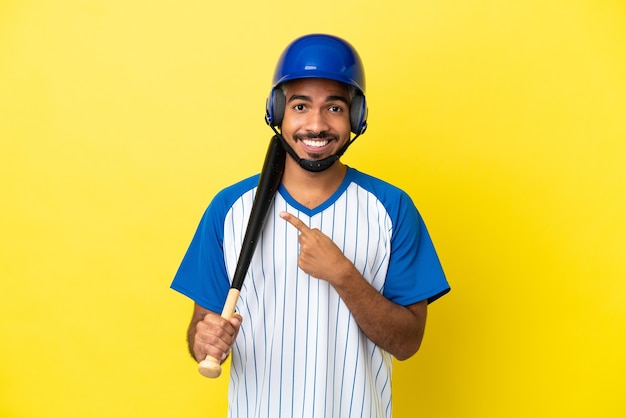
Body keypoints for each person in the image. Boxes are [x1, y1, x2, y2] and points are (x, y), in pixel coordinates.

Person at [171, 34, 450, 418]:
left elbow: (407, 343)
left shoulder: (391, 208)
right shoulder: (229, 208)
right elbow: (202, 329)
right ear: (278, 113)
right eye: (300, 106)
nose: (316, 124)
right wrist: (203, 339)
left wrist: (343, 276)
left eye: (334, 108)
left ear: (354, 118)